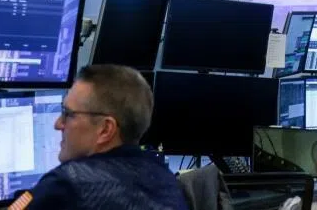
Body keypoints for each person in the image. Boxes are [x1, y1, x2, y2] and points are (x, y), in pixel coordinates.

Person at [12, 65, 188, 210]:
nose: (58, 124)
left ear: (105, 129)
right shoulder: (165, 179)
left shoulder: (67, 184)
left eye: (69, 114)